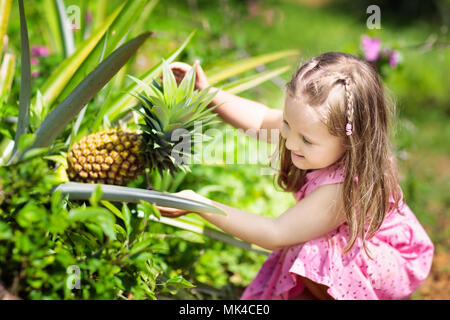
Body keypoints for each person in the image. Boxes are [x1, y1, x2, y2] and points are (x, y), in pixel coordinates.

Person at [157, 52, 434, 300]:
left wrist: (200, 205)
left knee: (311, 253)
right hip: (351, 253)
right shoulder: (308, 126)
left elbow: (275, 233)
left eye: (307, 141)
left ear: (351, 142)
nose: (290, 143)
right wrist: (207, 93)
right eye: (288, 125)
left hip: (386, 263)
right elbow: (261, 119)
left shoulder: (343, 187)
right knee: (303, 253)